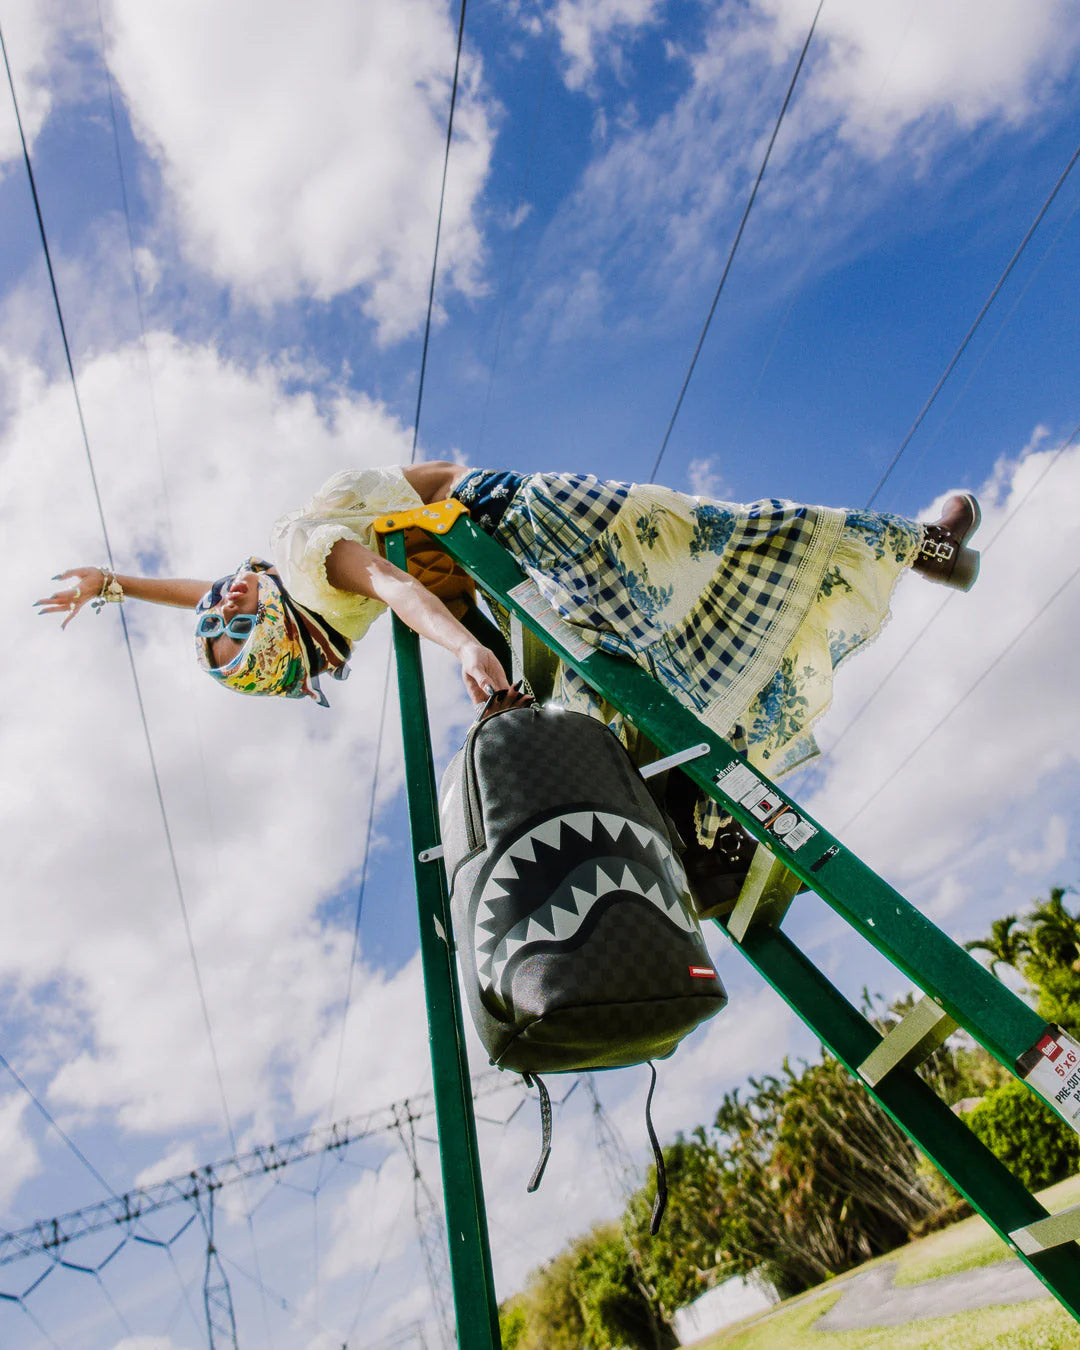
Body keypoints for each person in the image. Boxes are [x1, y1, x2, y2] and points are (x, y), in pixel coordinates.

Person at [36, 462, 980, 868]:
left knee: (701, 541)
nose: (337, 659)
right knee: (632, 664)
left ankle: (916, 543)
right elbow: (218, 591)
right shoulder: (302, 597)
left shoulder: (303, 558)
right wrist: (117, 587)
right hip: (507, 555)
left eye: (318, 657)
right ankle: (698, 809)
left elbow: (403, 595)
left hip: (513, 512)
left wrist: (464, 648)